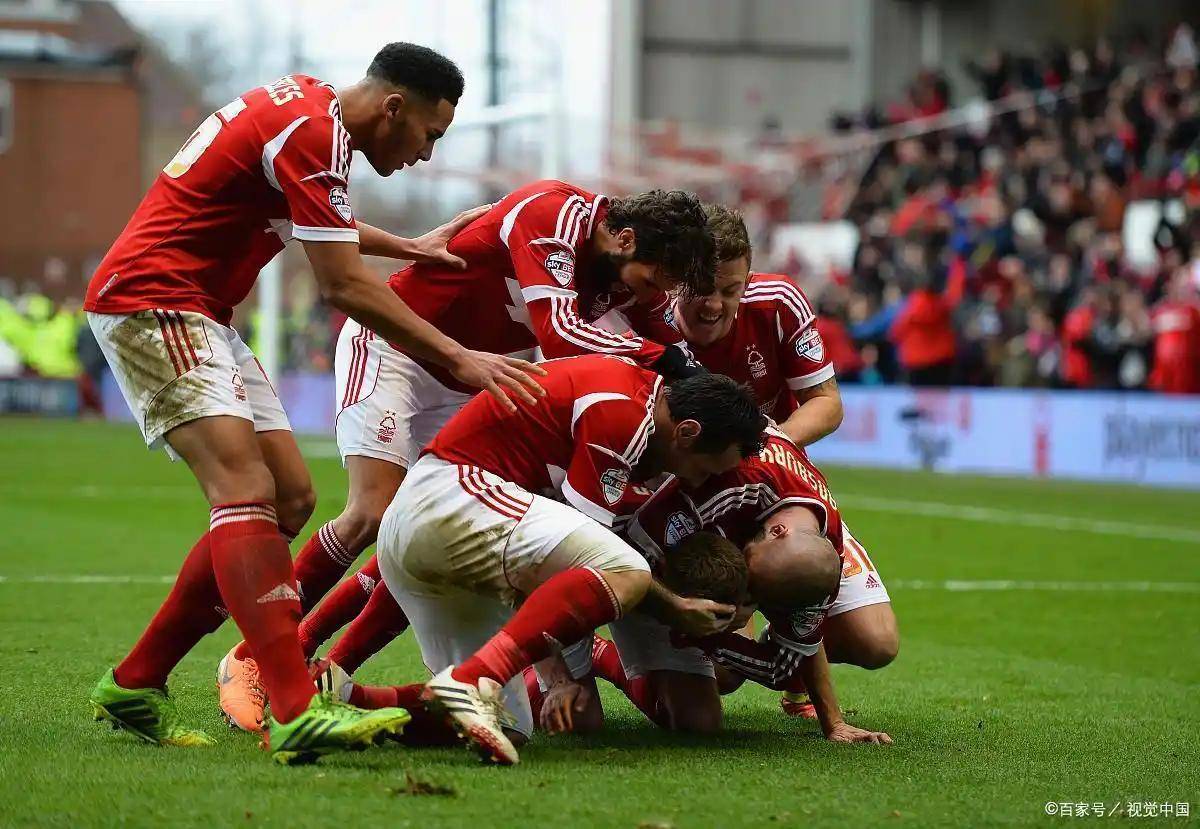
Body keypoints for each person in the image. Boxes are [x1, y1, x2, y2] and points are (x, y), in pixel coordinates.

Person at [83, 42, 544, 763]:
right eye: (429, 134)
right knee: (244, 488)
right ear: (394, 108)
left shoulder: (308, 113)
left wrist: (407, 247)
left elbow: (312, 220)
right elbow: (343, 285)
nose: (426, 154)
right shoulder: (312, 131)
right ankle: (297, 709)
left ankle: (136, 681)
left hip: (200, 310)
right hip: (152, 301)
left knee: (292, 497)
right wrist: (459, 356)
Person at [217, 182, 716, 730]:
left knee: (431, 531)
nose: (651, 297)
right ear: (625, 240)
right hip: (397, 349)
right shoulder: (552, 212)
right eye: (653, 281)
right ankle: (254, 656)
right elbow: (559, 336)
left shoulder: (629, 271)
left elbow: (678, 356)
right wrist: (665, 360)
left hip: (472, 378)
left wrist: (716, 395)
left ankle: (328, 674)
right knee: (373, 511)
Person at [353, 355, 765, 765]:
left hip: (430, 523)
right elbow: (575, 569)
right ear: (687, 432)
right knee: (625, 569)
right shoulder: (622, 416)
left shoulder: (631, 397)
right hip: (451, 498)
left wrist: (560, 678)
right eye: (703, 469)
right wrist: (673, 607)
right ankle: (470, 680)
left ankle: (347, 698)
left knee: (508, 724)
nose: (695, 481)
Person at [548, 427, 891, 743]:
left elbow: (786, 662)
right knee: (585, 720)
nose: (748, 602)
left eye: (753, 596)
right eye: (749, 577)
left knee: (709, 703)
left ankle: (604, 654)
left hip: (714, 543)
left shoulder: (826, 553)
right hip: (618, 531)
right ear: (776, 531)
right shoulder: (724, 484)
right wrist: (675, 608)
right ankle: (547, 644)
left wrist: (833, 723)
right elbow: (619, 557)